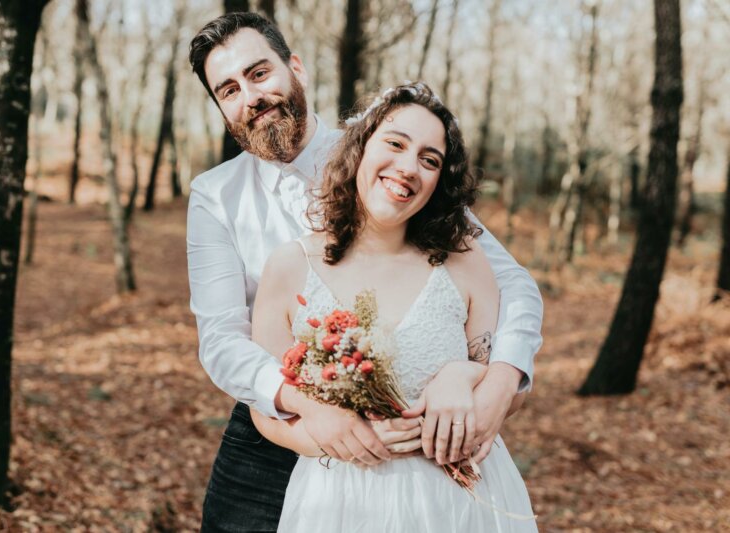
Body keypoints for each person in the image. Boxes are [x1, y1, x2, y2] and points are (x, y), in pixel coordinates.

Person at [187, 12, 542, 532]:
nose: (252, 97)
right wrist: (307, 406)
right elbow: (221, 338)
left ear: (295, 67)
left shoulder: (388, 153)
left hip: (412, 440)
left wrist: (495, 384)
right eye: (229, 90)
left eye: (259, 73)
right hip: (275, 419)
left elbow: (511, 284)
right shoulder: (216, 195)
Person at [250, 81, 536, 532]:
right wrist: (327, 439)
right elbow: (263, 408)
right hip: (341, 504)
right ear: (360, 148)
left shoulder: (464, 260)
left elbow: (507, 395)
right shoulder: (289, 267)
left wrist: (464, 375)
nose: (408, 168)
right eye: (396, 144)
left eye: (429, 160)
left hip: (462, 507)